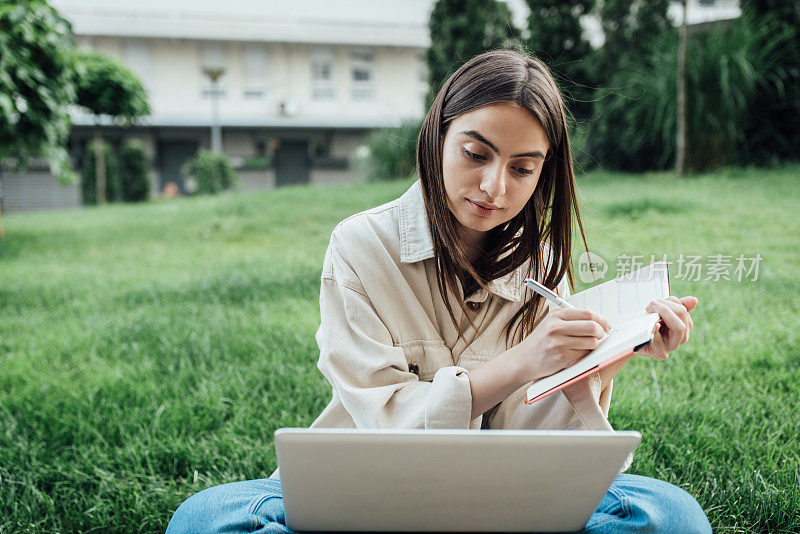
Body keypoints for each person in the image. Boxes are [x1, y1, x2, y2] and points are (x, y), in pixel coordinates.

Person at [166, 49, 711, 533]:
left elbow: (528, 437)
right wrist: (522, 360)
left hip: (499, 496)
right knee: (206, 519)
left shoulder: (542, 266)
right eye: (476, 154)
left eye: (523, 169)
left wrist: (600, 361)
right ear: (438, 136)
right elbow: (384, 418)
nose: (495, 187)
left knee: (673, 515)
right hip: (365, 487)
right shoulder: (361, 245)